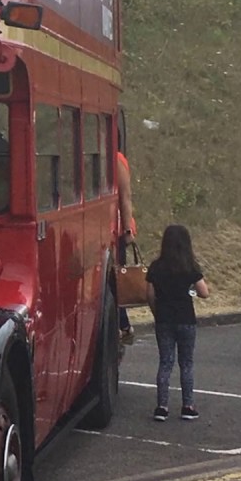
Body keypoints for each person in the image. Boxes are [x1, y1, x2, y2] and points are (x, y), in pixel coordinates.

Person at [145, 224, 208, 421]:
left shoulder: (156, 267)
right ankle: (187, 406)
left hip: (164, 319)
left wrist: (157, 312)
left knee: (165, 362)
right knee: (186, 363)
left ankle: (162, 407)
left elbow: (149, 294)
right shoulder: (190, 266)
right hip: (185, 318)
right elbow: (204, 292)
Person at [114, 144, 139, 343]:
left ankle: (122, 323)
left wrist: (127, 228)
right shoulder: (117, 158)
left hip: (115, 228)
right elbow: (126, 196)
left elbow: (124, 197)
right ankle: (123, 324)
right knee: (116, 278)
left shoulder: (114, 159)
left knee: (116, 278)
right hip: (114, 228)